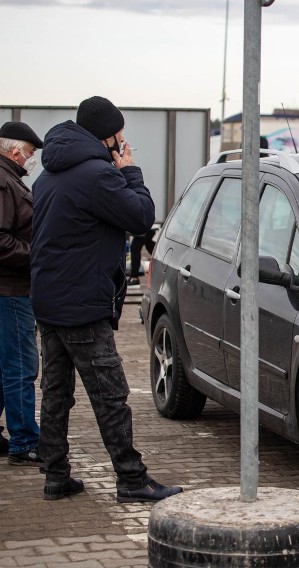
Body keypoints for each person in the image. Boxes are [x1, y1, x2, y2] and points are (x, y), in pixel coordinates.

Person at [31, 96, 182, 502]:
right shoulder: (98, 175)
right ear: (108, 136)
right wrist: (130, 171)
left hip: (49, 301)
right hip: (82, 305)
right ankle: (132, 479)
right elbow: (139, 217)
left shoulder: (48, 175)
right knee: (110, 395)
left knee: (56, 392)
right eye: (120, 133)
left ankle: (55, 474)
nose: (124, 139)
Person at [0, 122, 44, 466]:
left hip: (10, 290)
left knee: (6, 366)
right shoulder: (4, 183)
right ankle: (25, 440)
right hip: (11, 291)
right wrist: (38, 256)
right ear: (15, 150)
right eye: (30, 153)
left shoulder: (9, 181)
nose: (31, 160)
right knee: (20, 367)